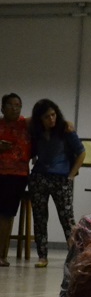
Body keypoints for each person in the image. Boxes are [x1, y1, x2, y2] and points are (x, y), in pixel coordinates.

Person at [29, 99, 85, 268]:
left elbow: (81, 152)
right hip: (39, 177)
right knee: (39, 218)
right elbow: (24, 121)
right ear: (40, 119)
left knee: (67, 219)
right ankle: (42, 256)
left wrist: (71, 175)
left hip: (62, 178)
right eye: (47, 117)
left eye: (53, 115)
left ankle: (75, 255)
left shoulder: (65, 130)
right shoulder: (35, 132)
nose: (51, 119)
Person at [0, 93, 31, 267]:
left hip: (17, 175)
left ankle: (2, 254)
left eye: (18, 105)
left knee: (7, 214)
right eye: (10, 105)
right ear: (2, 107)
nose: (14, 108)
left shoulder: (25, 124)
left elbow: (45, 114)